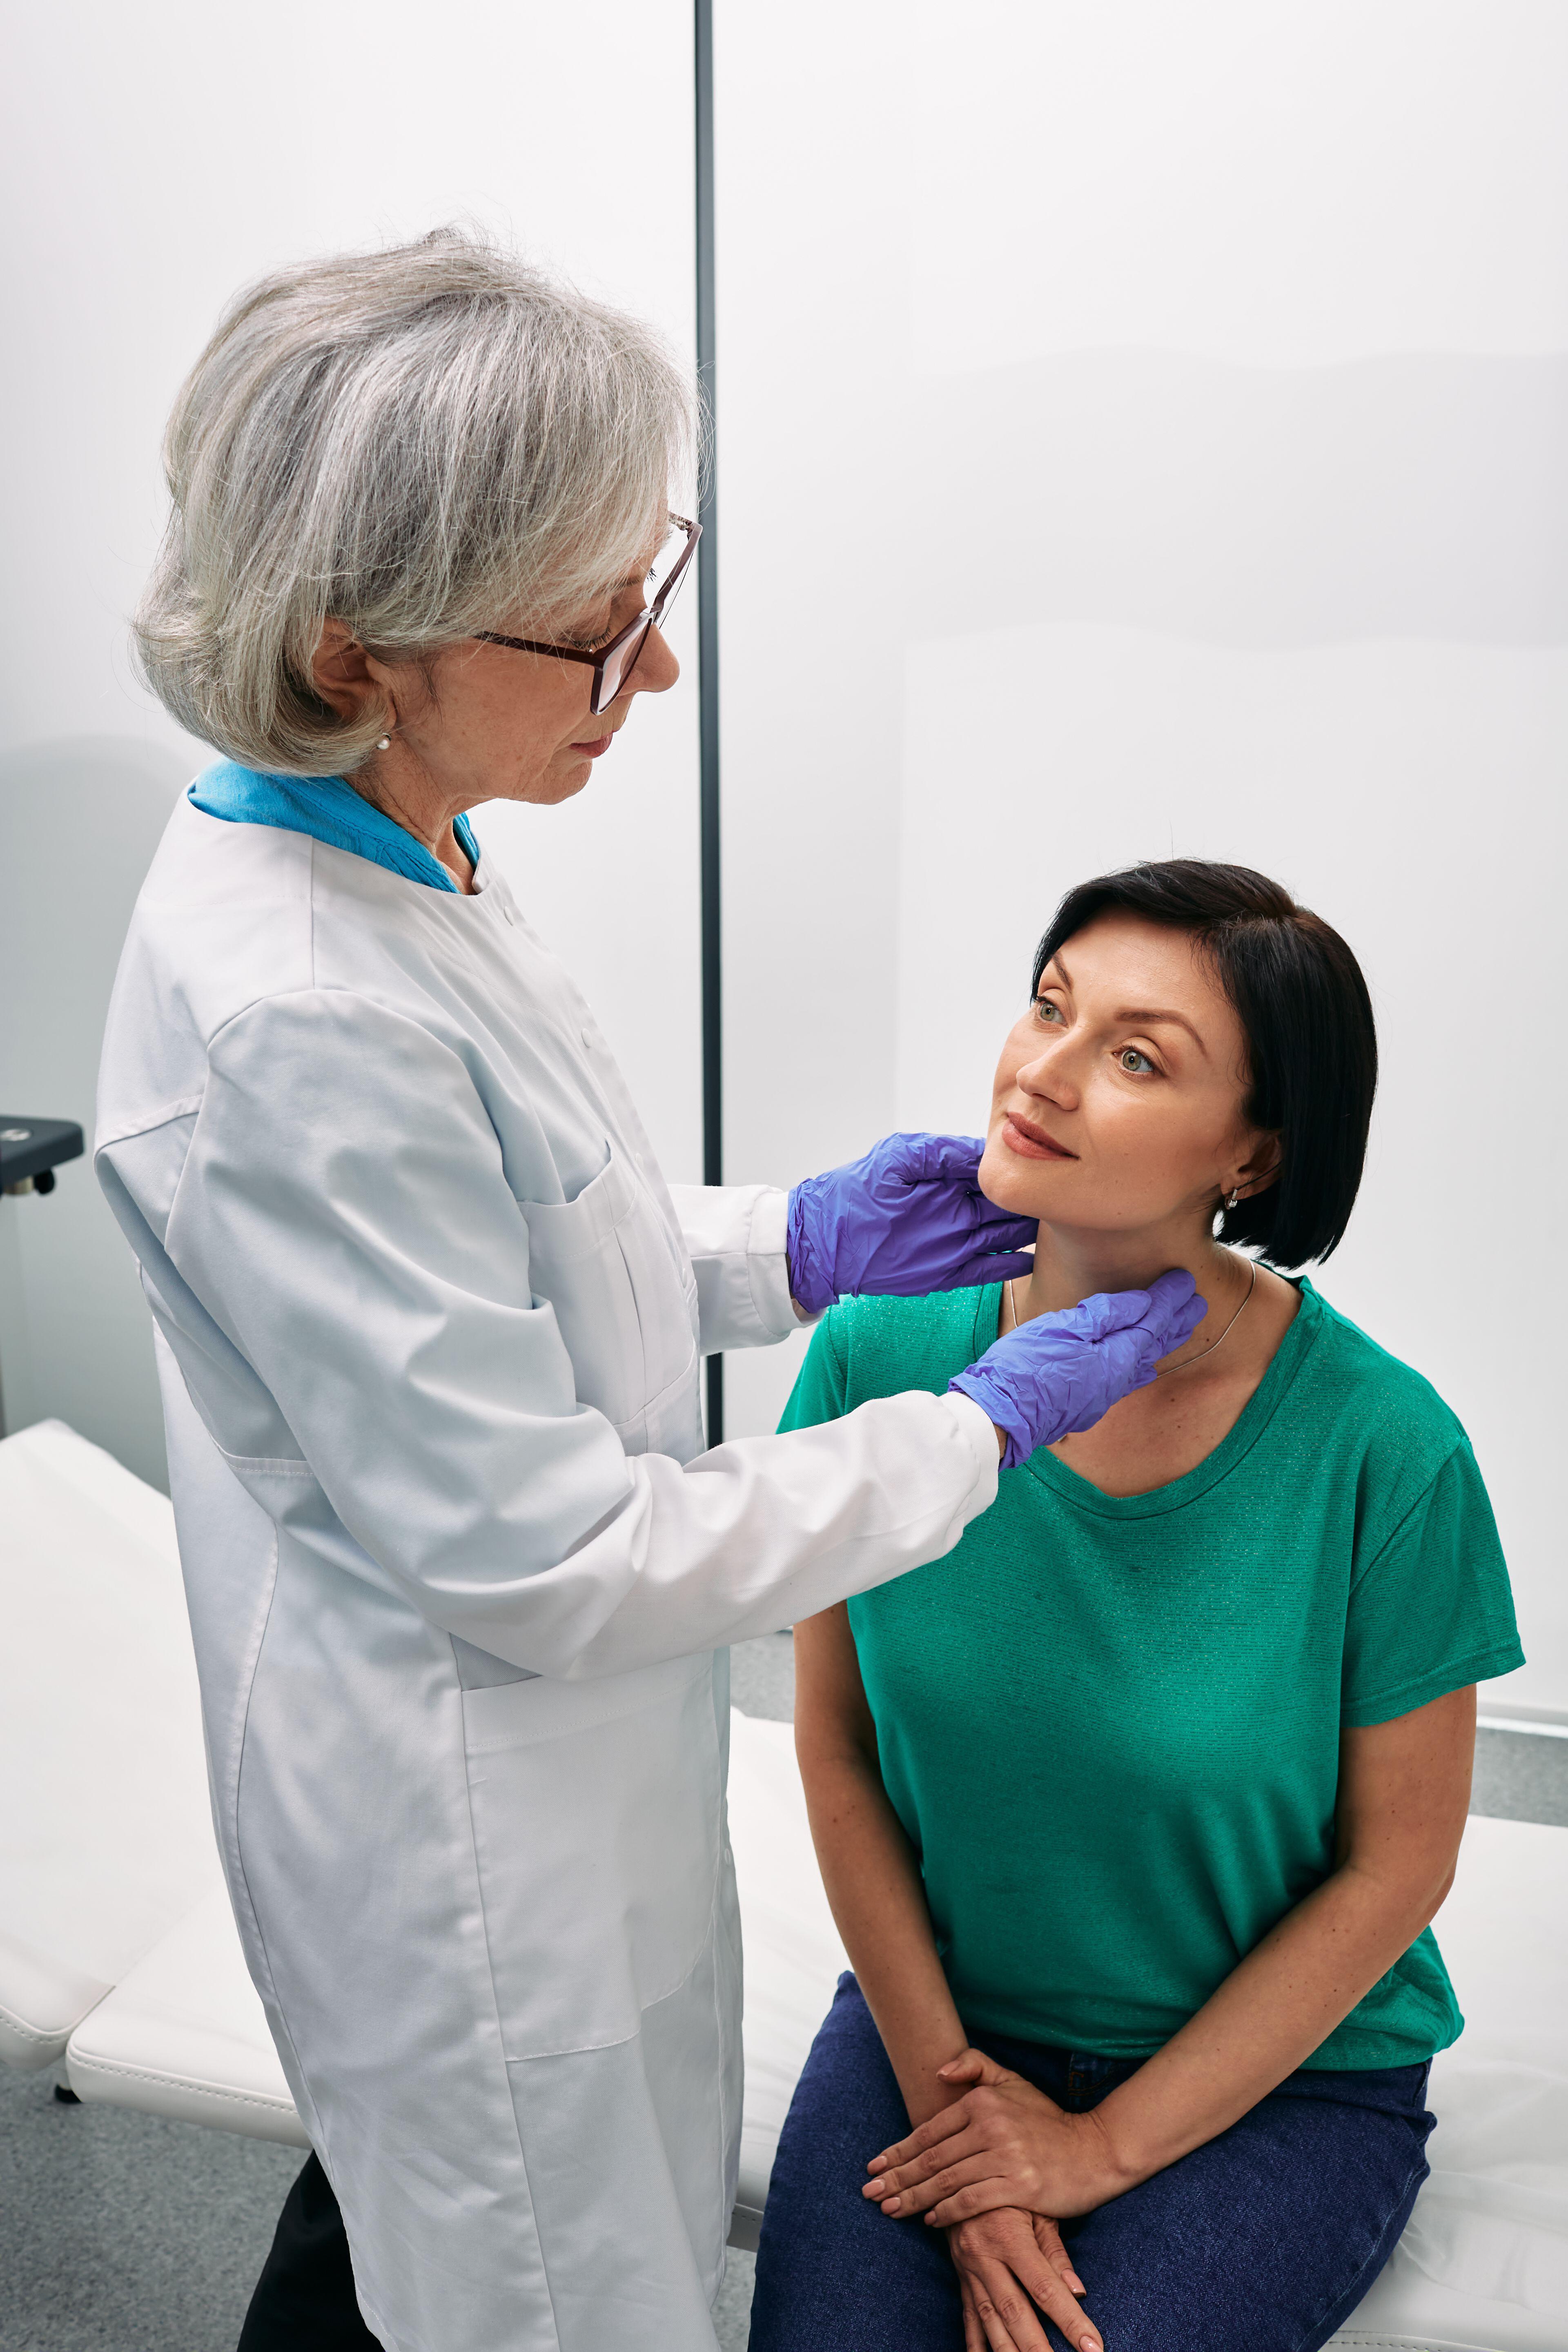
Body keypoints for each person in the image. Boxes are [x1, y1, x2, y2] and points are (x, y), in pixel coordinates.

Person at [93, 233, 1203, 2352]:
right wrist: (973, 1428)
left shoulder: (392, 841)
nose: (654, 679)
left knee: (418, 2254)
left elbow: (503, 1239)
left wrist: (780, 1244)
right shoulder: (296, 1001)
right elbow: (554, 1556)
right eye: (599, 639)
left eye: (651, 597)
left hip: (557, 1772)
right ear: (357, 649)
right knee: (531, 2287)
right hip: (467, 1823)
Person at [750, 860, 1523, 2352]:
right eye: (1050, 1006)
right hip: (951, 2026)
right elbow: (838, 1754)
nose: (1041, 1071)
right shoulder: (872, 1355)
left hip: (1282, 2080)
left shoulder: (1385, 1448)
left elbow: (1399, 1869)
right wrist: (969, 2142)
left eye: (1135, 1055)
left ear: (1251, 1154)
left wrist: (1093, 2152)